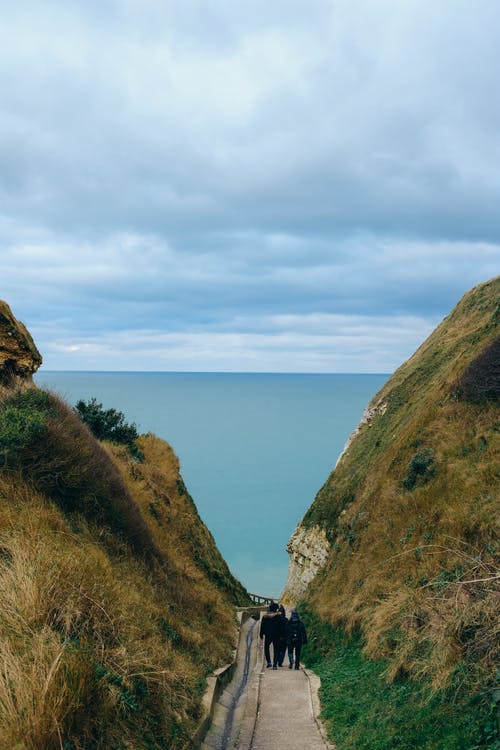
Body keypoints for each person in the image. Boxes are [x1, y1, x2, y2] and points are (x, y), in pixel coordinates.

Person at [259, 601, 282, 668]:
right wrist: (282, 635)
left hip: (268, 635)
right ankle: (275, 664)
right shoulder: (278, 617)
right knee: (276, 649)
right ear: (276, 609)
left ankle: (269, 662)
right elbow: (281, 626)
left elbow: (262, 626)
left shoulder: (265, 617)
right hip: (277, 635)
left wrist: (261, 634)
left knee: (266, 648)